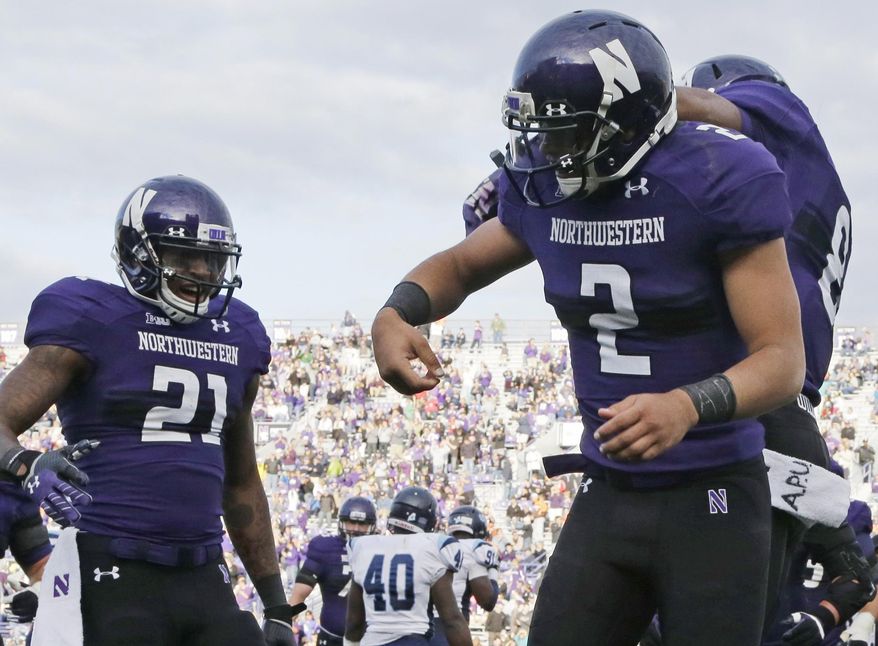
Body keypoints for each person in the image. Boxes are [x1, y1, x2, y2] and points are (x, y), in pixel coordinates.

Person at [372, 10, 805, 646]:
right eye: (542, 133)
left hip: (713, 494)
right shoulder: (548, 187)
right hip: (611, 490)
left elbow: (782, 360)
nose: (549, 151)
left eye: (567, 133)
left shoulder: (716, 178)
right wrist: (396, 311)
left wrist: (686, 406)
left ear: (626, 123)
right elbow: (460, 265)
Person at [0, 175, 300, 645]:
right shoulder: (93, 317)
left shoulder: (238, 333)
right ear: (138, 253)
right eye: (185, 255)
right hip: (110, 565)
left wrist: (278, 606)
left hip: (203, 571)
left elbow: (240, 481)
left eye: (212, 258)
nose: (202, 270)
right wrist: (27, 463)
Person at [679, 55, 873, 642]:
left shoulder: (776, 113)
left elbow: (705, 112)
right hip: (784, 406)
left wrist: (618, 103)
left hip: (755, 401)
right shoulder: (812, 186)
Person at [345, 487, 472, 646]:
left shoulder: (363, 547)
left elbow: (354, 622)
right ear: (430, 521)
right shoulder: (433, 548)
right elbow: (452, 621)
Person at [290, 496, 377, 646]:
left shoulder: (383, 550)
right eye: (351, 522)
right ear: (341, 522)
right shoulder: (324, 548)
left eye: (362, 524)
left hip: (372, 640)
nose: (355, 529)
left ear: (372, 526)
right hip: (332, 639)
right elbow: (299, 595)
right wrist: (283, 622)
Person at [429, 506, 499, 646]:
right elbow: (488, 601)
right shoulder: (474, 549)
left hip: (421, 626)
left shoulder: (432, 544)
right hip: (450, 627)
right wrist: (493, 571)